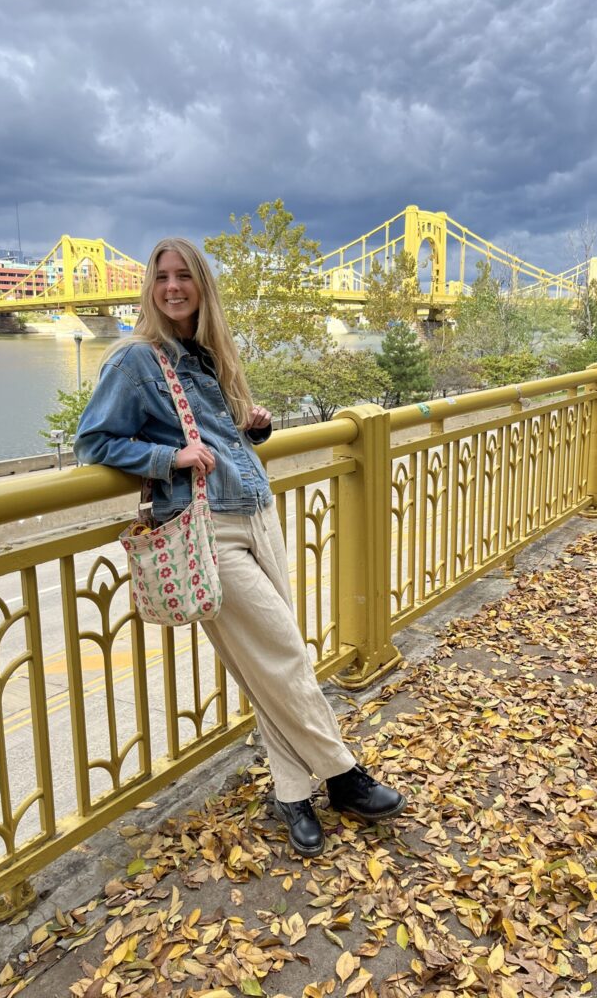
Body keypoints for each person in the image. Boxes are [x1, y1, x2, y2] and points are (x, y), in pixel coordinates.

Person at [74, 237, 406, 857]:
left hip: (258, 513)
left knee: (269, 663)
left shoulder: (207, 354)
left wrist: (252, 423)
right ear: (150, 288)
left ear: (202, 286)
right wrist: (165, 456)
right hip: (205, 528)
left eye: (184, 277)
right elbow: (92, 441)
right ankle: (342, 776)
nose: (172, 287)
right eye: (161, 277)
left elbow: (223, 438)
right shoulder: (135, 361)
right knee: (284, 655)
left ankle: (291, 793)